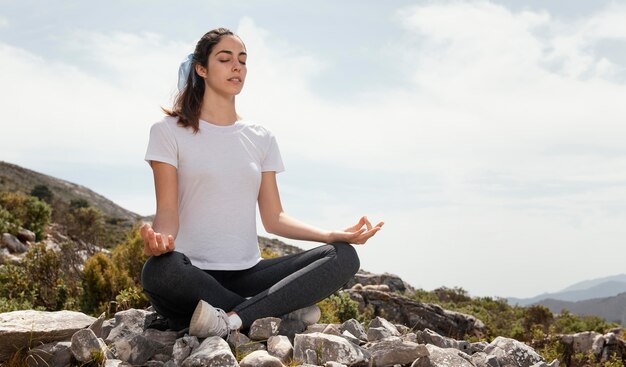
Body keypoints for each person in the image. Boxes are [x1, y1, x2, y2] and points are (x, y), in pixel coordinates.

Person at [140, 27, 384, 338]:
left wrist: (331, 234)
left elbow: (274, 218)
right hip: (193, 277)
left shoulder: (261, 137)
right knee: (160, 270)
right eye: (225, 59)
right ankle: (269, 311)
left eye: (242, 60)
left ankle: (230, 320)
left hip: (249, 274)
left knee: (344, 255)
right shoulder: (167, 131)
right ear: (201, 68)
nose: (237, 66)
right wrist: (161, 240)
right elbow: (168, 211)